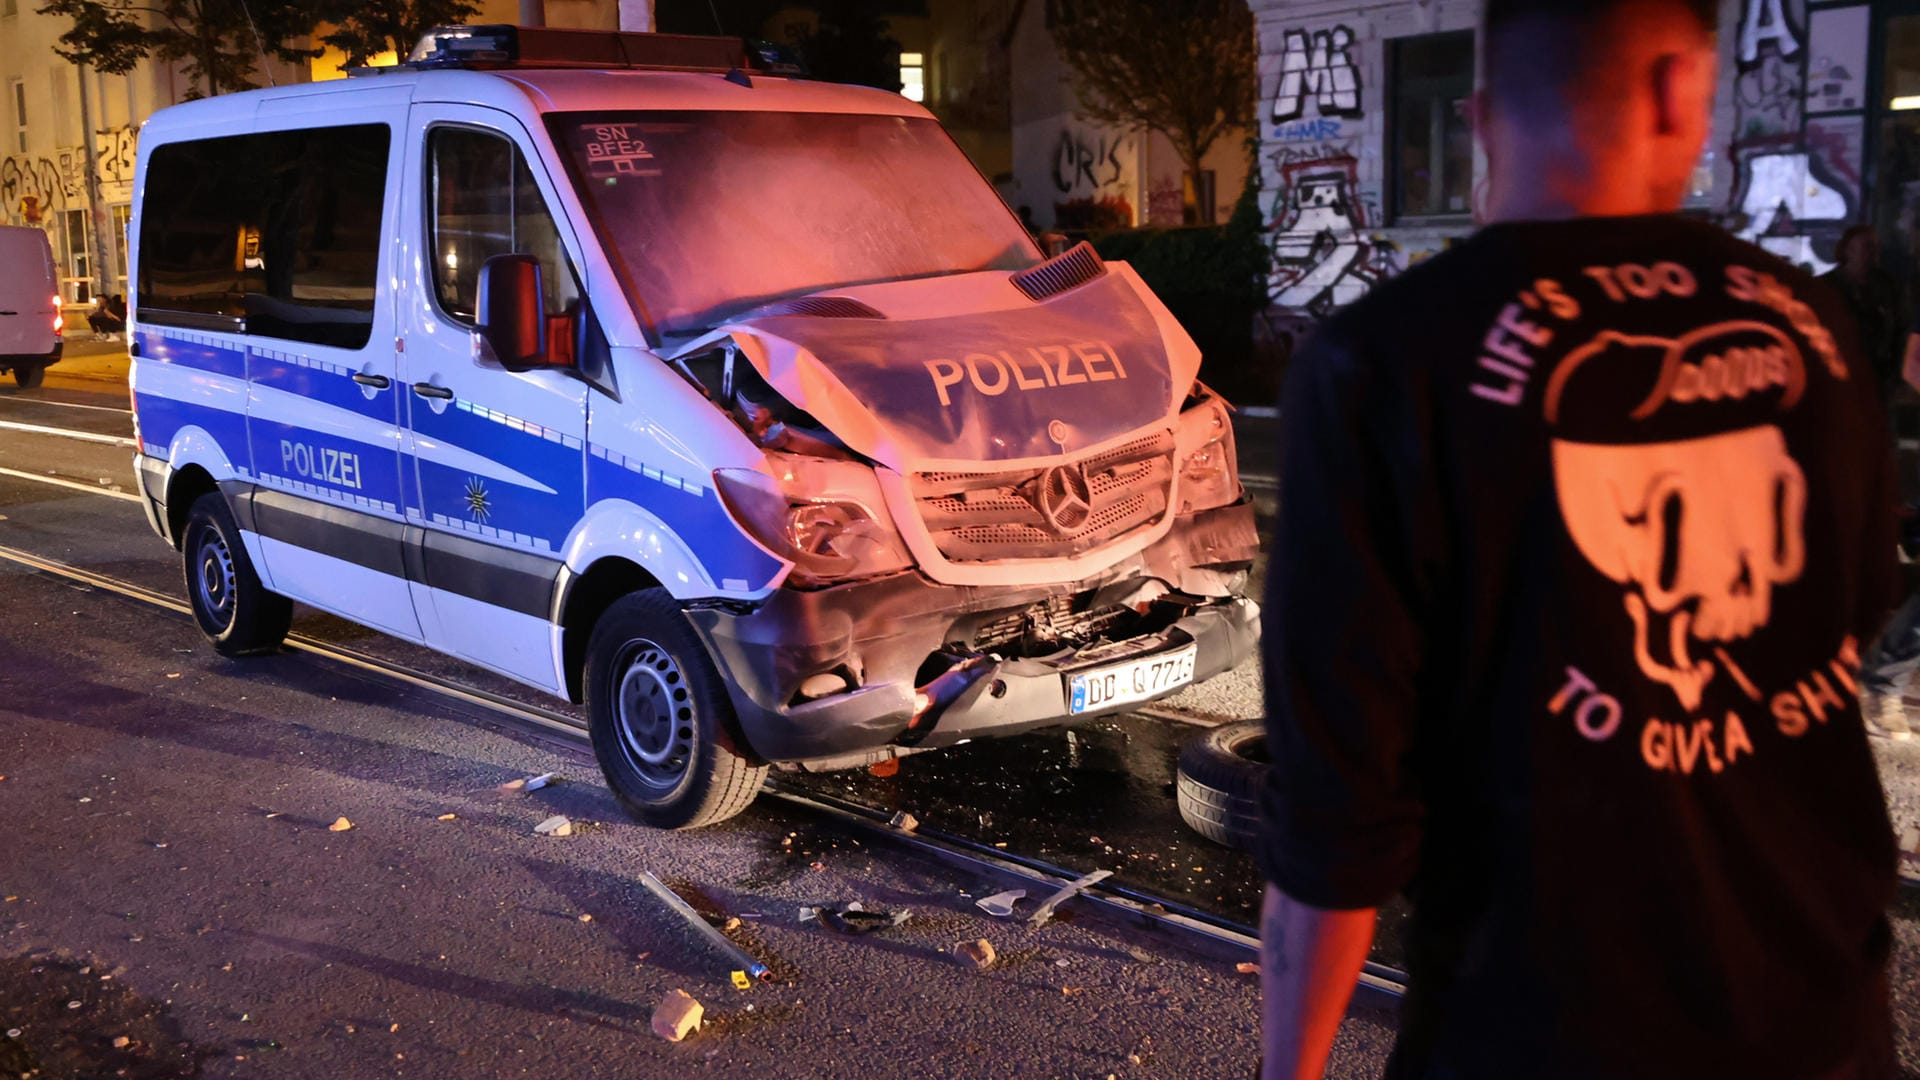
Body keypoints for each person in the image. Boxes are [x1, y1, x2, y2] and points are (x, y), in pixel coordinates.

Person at [1257, 1, 1901, 1077]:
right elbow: (1851, 616)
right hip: (1825, 1026)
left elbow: (1337, 820)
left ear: (1479, 118)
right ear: (1677, 94)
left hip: (1536, 1036)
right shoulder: (1812, 328)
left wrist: (1292, 1067)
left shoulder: (1384, 363)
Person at [1819, 225, 1905, 402]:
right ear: (1848, 250)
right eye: (1867, 246)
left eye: (1875, 247)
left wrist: (1895, 375)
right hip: (1837, 376)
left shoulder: (1887, 287)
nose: (1873, 253)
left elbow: (1899, 331)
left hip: (1877, 377)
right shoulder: (1826, 287)